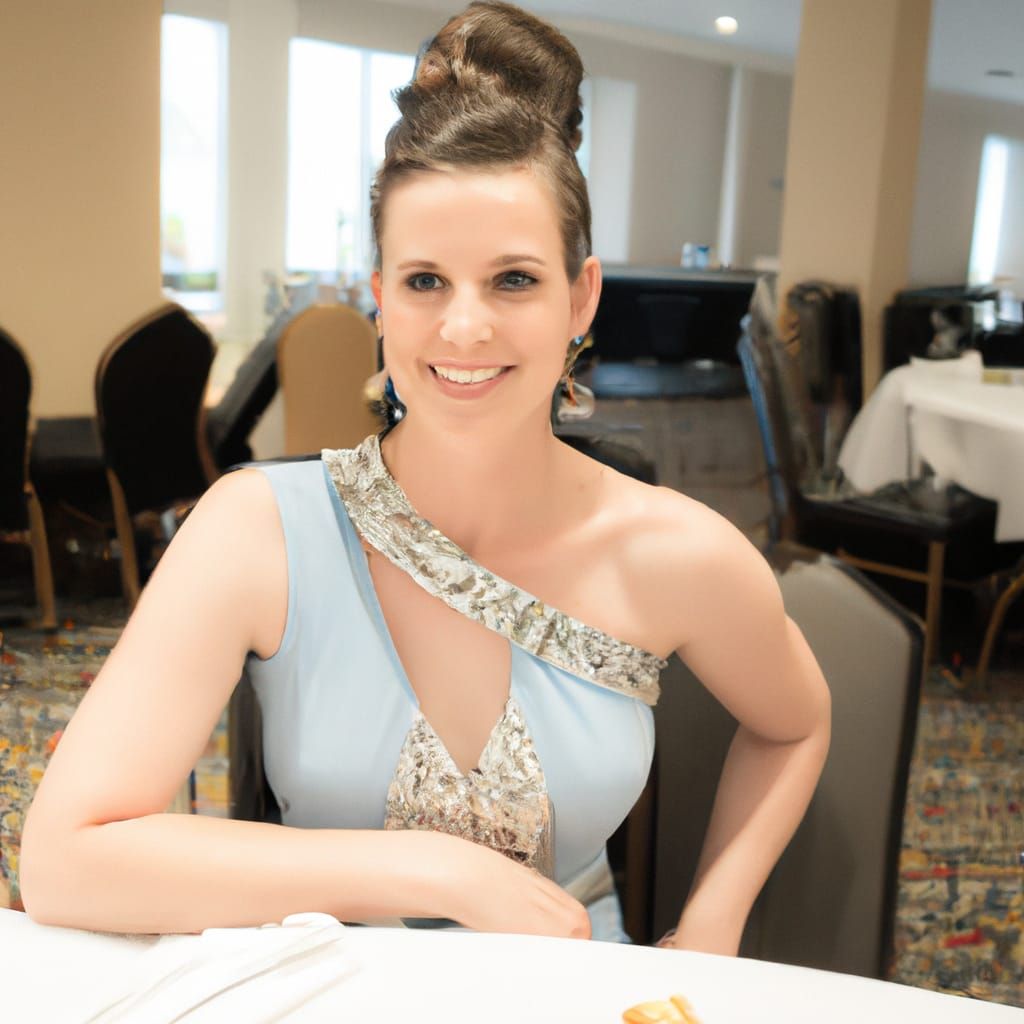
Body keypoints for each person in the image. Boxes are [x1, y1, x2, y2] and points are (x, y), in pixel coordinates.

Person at [20, 1, 830, 952]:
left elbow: (794, 727)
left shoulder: (673, 551)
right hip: (319, 988)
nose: (464, 328)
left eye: (515, 280)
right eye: (425, 281)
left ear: (583, 296)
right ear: (378, 298)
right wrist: (430, 868)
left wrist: (713, 926)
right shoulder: (259, 531)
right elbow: (64, 860)